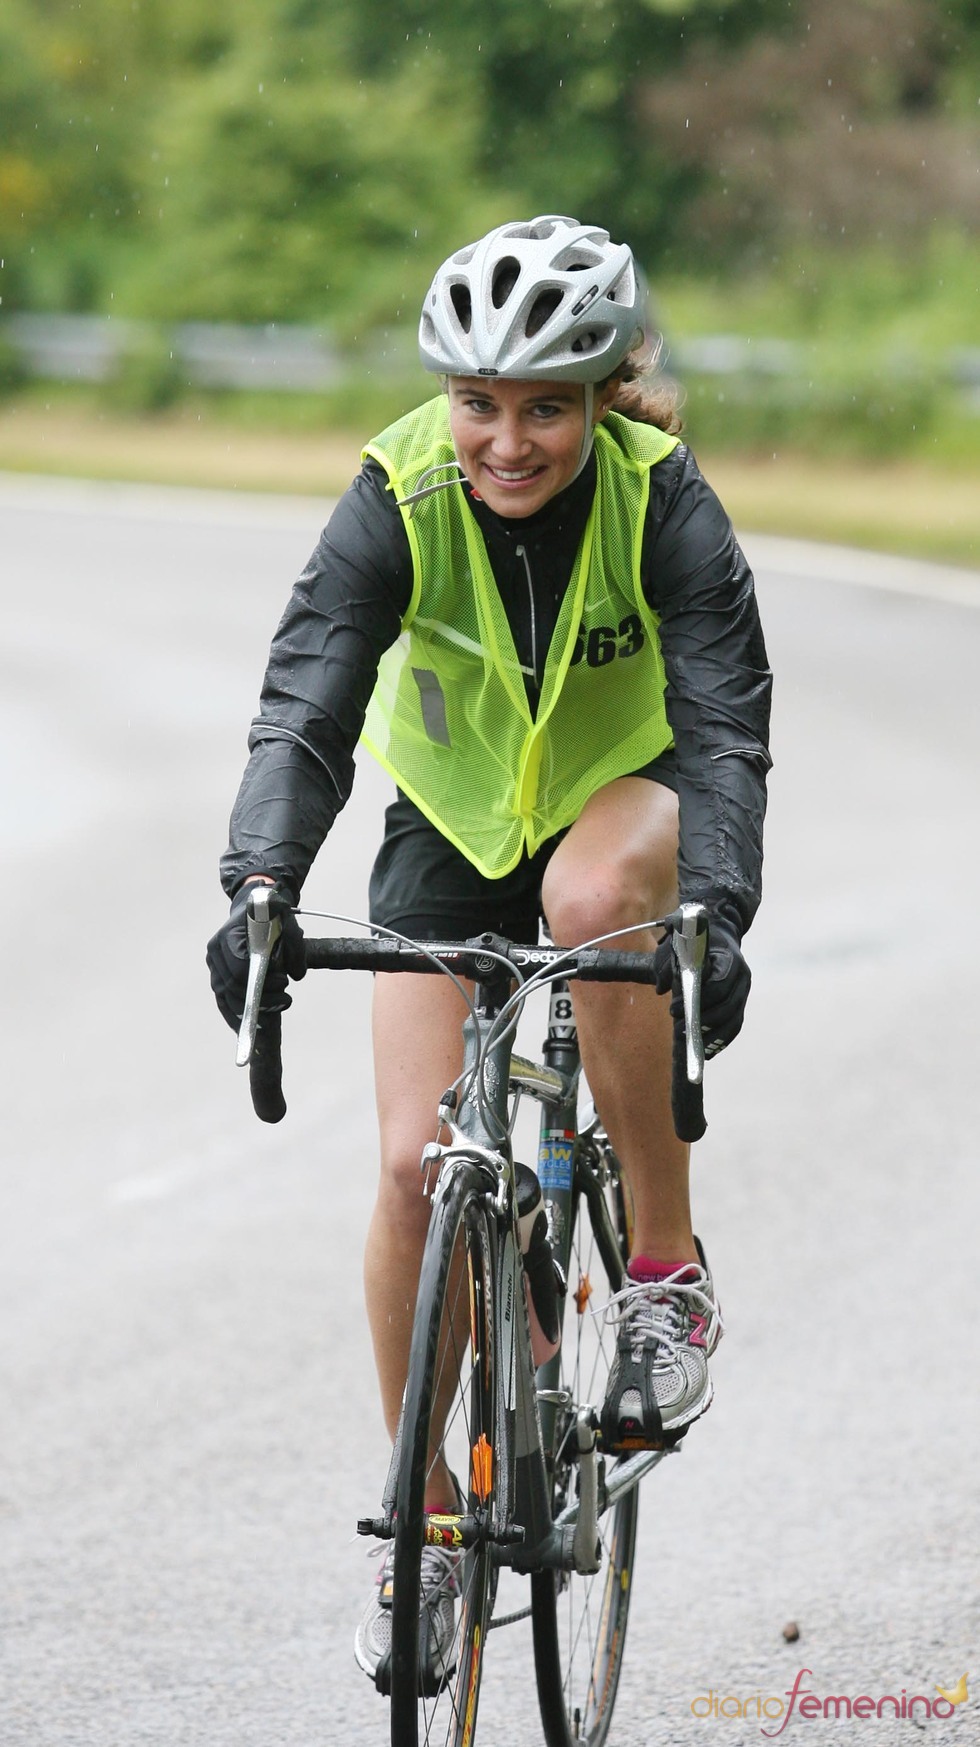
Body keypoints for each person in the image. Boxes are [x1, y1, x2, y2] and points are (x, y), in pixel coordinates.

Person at [207, 215, 772, 1688]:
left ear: (600, 398)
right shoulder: (396, 492)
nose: (505, 443)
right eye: (478, 404)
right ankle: (428, 1527)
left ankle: (662, 1274)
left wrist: (714, 915)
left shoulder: (663, 502)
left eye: (544, 409)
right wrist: (261, 881)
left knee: (593, 903)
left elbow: (725, 730)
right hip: (453, 821)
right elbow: (308, 704)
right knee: (414, 1163)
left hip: (623, 797)